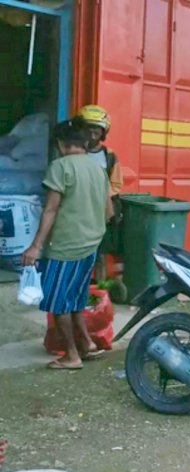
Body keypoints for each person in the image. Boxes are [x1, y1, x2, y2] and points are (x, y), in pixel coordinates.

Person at [21, 119, 112, 370]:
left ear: (60, 144)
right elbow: (108, 210)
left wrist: (35, 246)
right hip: (91, 244)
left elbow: (51, 209)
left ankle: (71, 356)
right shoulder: (98, 169)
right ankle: (87, 344)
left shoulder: (60, 167)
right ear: (84, 143)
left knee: (58, 301)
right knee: (76, 298)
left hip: (66, 246)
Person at [77, 105, 124, 281]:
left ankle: (100, 291)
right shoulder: (75, 152)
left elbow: (116, 185)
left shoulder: (109, 155)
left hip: (102, 212)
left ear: (103, 131)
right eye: (88, 127)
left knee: (101, 253)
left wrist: (98, 198)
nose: (92, 132)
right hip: (79, 212)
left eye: (96, 128)